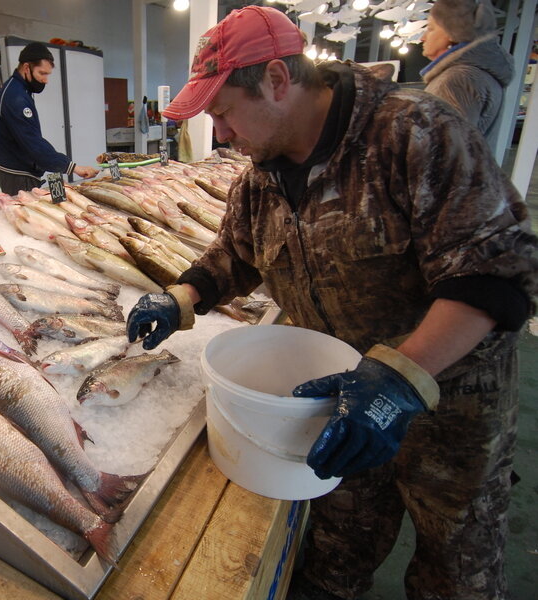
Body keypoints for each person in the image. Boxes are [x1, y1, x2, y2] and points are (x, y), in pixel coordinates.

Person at [125, 6, 536, 600]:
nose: (220, 135)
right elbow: (235, 256)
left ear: (276, 80)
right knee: (335, 555)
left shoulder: (414, 131)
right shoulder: (260, 174)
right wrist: (180, 296)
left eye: (222, 114)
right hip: (340, 397)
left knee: (458, 569)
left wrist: (398, 380)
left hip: (451, 409)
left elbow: (496, 270)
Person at [0, 42, 98, 195]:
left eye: (47, 75)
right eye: (42, 73)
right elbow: (33, 143)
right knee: (25, 216)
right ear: (26, 68)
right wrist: (73, 168)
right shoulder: (15, 97)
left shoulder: (21, 90)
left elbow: (33, 139)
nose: (45, 80)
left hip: (23, 170)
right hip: (18, 174)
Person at [420, 0, 513, 147]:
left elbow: (446, 150)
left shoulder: (458, 79)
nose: (423, 37)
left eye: (430, 29)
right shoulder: (476, 74)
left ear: (452, 33)